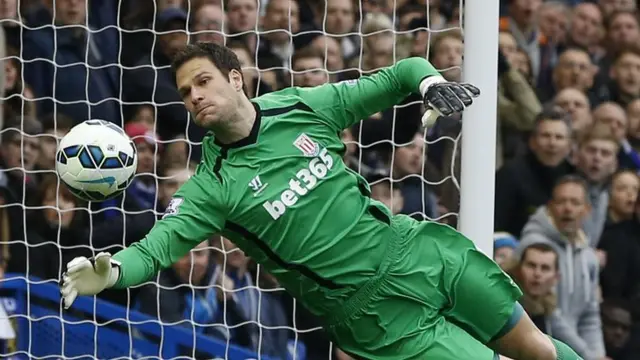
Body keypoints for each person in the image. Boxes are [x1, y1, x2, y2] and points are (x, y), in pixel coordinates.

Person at [60, 42, 582, 360]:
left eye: (203, 82)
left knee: (536, 349)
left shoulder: (300, 108)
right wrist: (107, 274)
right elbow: (153, 251)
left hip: (416, 250)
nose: (194, 96)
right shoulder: (210, 187)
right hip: (371, 315)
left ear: (236, 79)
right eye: (185, 92)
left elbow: (396, 75)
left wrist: (428, 84)